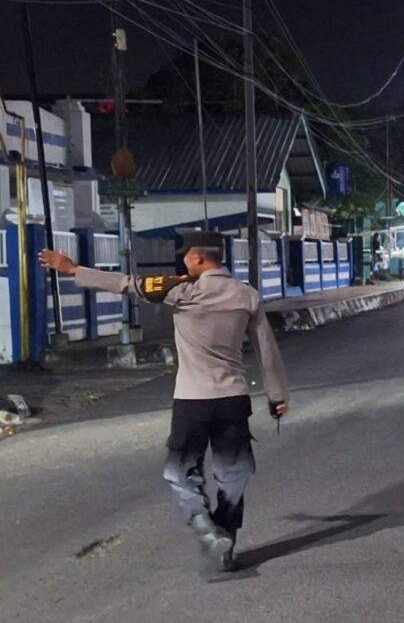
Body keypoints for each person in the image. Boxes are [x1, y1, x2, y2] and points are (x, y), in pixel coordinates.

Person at [39, 232, 288, 573]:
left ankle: (206, 528)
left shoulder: (179, 292)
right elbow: (266, 349)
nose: (183, 260)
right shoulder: (247, 295)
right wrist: (277, 397)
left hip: (191, 401)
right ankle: (224, 544)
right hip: (232, 399)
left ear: (200, 259)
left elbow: (125, 283)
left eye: (187, 255)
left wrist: (73, 269)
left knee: (178, 473)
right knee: (234, 474)